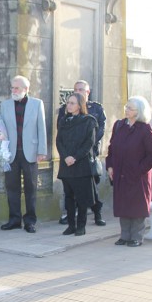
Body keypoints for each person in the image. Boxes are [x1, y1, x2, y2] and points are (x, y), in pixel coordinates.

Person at [106, 96, 152, 247]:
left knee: (137, 206)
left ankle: (136, 236)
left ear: (139, 111)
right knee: (123, 205)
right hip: (120, 174)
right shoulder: (119, 125)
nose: (126, 110)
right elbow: (111, 148)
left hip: (137, 176)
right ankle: (124, 235)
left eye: (130, 108)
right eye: (126, 107)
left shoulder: (145, 129)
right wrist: (110, 166)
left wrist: (138, 170)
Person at [0, 75, 47, 233]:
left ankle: (30, 221)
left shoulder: (37, 104)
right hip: (10, 153)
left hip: (31, 153)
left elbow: (41, 128)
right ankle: (14, 219)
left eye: (16, 88)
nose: (13, 90)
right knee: (11, 187)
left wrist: (42, 151)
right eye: (12, 87)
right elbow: (0, 129)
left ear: (26, 89)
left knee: (31, 188)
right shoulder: (5, 105)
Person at [57, 80, 107, 226]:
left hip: (87, 154)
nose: (78, 92)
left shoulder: (96, 109)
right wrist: (67, 155)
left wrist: (84, 150)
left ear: (88, 92)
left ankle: (97, 213)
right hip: (69, 156)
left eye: (81, 90)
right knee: (70, 191)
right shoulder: (64, 111)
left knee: (90, 188)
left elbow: (100, 130)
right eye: (75, 90)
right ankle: (71, 216)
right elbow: (61, 135)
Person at [56, 93, 97, 236]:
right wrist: (65, 156)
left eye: (72, 103)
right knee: (69, 197)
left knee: (81, 198)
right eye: (68, 103)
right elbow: (59, 141)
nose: (69, 105)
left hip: (81, 164)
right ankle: (71, 225)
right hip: (66, 164)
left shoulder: (88, 121)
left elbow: (89, 143)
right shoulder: (63, 121)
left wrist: (75, 157)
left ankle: (81, 225)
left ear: (80, 105)